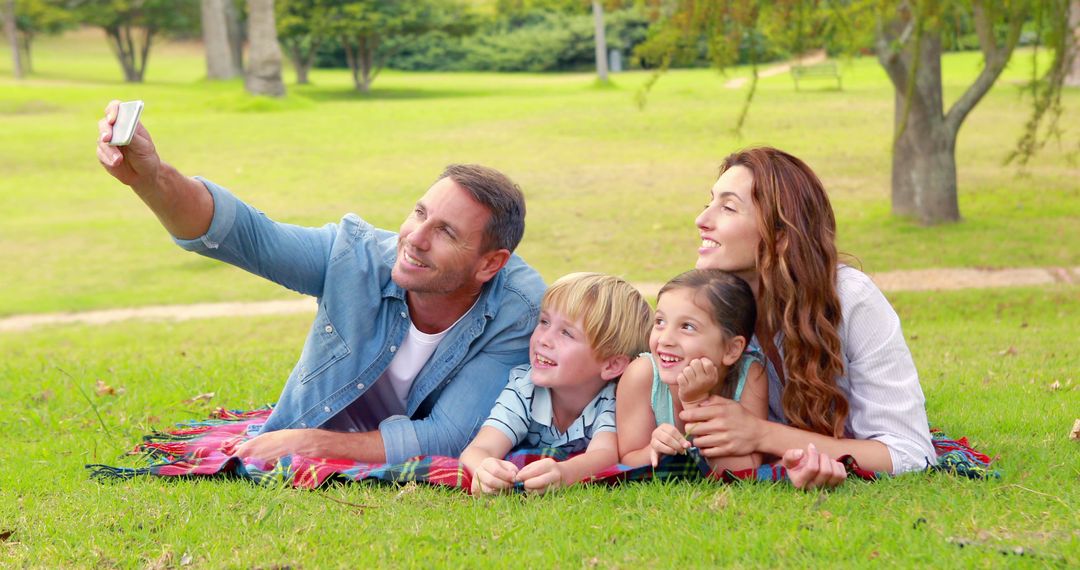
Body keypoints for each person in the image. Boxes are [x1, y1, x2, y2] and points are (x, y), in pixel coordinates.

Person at [95, 100, 546, 464]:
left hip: (338, 436)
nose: (415, 239)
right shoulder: (355, 257)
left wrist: (311, 444)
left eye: (446, 232)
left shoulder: (517, 307)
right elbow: (241, 234)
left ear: (491, 264)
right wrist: (152, 179)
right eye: (420, 213)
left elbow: (450, 435)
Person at [679, 146, 935, 489]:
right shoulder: (713, 306)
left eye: (727, 207)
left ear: (781, 236)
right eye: (709, 202)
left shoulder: (852, 301)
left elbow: (911, 453)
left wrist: (761, 434)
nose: (702, 219)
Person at [461, 272, 651, 494]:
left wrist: (564, 474)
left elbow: (606, 455)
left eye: (566, 333)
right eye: (544, 322)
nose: (543, 339)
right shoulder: (524, 388)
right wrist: (485, 468)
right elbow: (479, 448)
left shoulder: (613, 397)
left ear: (611, 365)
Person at [617, 269, 767, 473]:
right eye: (660, 322)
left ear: (731, 349)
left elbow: (743, 469)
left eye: (687, 326)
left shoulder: (750, 375)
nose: (665, 339)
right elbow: (627, 459)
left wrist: (695, 403)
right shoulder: (642, 375)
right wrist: (653, 450)